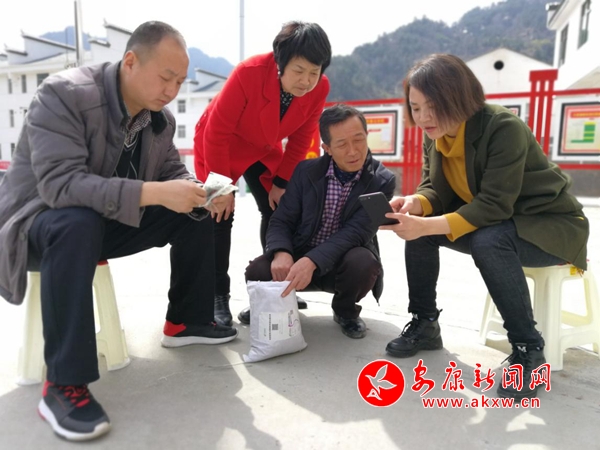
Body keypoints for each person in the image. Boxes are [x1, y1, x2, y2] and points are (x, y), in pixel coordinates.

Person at [0, 22, 238, 441]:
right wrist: (156, 192)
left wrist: (199, 193)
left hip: (101, 221)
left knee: (194, 211)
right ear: (130, 61)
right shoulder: (64, 94)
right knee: (76, 221)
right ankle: (63, 385)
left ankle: (186, 321)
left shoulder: (159, 120)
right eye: (165, 77)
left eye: (180, 81)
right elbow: (60, 187)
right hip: (37, 224)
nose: (172, 90)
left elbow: (171, 171)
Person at [381, 54, 589, 399]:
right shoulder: (436, 134)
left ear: (459, 98)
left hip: (550, 226)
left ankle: (528, 349)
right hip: (500, 223)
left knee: (486, 240)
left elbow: (494, 204)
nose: (423, 117)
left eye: (433, 107)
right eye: (416, 108)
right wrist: (414, 204)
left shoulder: (502, 128)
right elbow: (435, 189)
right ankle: (425, 322)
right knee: (421, 231)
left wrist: (426, 223)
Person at [193, 21, 332, 327]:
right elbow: (216, 133)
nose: (307, 81)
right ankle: (216, 296)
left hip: (264, 147)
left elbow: (301, 138)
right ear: (281, 62)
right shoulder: (248, 73)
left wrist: (281, 182)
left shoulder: (320, 87)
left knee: (280, 209)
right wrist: (222, 189)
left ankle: (276, 285)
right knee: (219, 216)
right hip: (221, 146)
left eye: (314, 71)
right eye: (299, 70)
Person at [240, 104, 396, 338]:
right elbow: (281, 220)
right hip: (299, 255)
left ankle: (345, 312)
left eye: (359, 140)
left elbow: (357, 232)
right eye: (342, 144)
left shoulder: (382, 181)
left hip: (343, 263)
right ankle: (277, 302)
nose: (353, 151)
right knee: (257, 271)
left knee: (363, 264)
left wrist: (313, 261)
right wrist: (282, 252)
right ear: (327, 148)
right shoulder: (305, 171)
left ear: (367, 136)